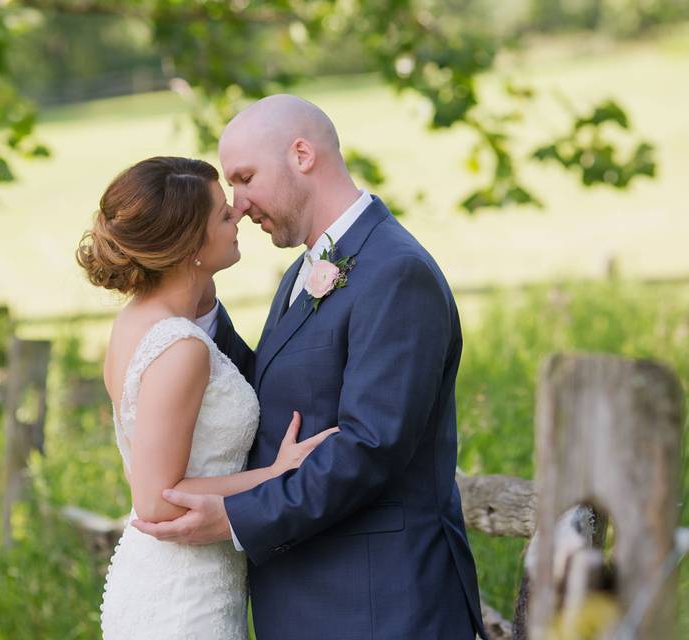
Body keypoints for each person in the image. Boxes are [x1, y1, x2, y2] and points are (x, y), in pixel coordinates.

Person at [131, 95, 489, 640]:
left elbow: (372, 446)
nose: (239, 204)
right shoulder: (307, 267)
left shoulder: (396, 272)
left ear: (302, 154)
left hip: (382, 605)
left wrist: (235, 517)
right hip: (312, 602)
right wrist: (191, 298)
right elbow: (277, 396)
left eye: (246, 178)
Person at [76, 155, 338, 639]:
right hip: (184, 598)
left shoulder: (135, 321)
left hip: (175, 576)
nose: (237, 213)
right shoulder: (181, 348)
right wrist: (275, 475)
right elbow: (156, 499)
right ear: (190, 245)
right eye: (222, 213)